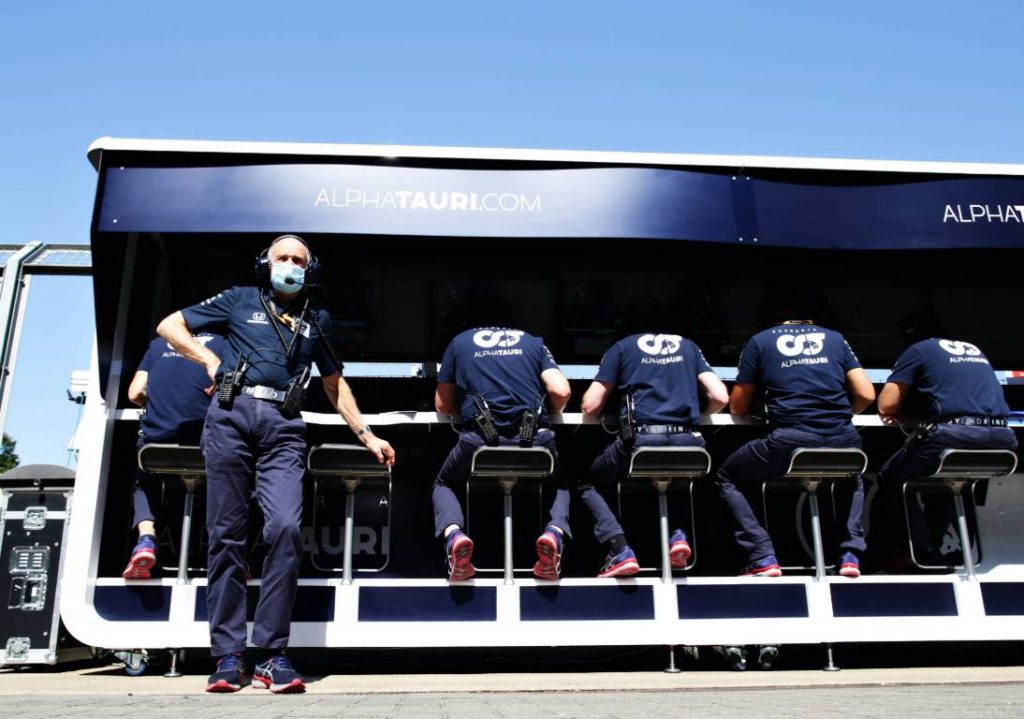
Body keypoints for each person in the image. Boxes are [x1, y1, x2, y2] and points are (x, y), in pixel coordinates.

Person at [156, 234, 395, 694]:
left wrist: (367, 434)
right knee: (226, 534)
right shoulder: (238, 299)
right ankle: (228, 655)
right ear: (265, 264)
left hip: (285, 423)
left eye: (298, 260)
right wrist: (208, 359)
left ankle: (271, 655)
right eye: (281, 258)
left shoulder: (316, 318)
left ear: (311, 268)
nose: (290, 264)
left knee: (284, 529)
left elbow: (333, 385)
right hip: (231, 416)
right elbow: (170, 326)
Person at [717, 291, 876, 577]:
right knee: (851, 475)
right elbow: (866, 393)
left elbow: (738, 405)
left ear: (765, 318)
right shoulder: (835, 338)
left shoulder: (759, 341)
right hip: (844, 439)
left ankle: (762, 557)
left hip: (791, 440)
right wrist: (839, 415)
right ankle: (850, 554)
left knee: (729, 475)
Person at [580, 331, 728, 577]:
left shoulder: (622, 347)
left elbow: (590, 406)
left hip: (643, 440)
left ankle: (619, 550)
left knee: (588, 482)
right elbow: (720, 396)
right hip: (688, 441)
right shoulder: (689, 345)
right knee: (678, 474)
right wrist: (696, 417)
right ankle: (678, 535)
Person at [433, 325, 572, 582]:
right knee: (559, 483)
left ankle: (454, 535)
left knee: (444, 483)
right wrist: (553, 410)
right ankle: (554, 533)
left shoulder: (459, 342)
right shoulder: (534, 342)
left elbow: (442, 405)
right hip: (535, 441)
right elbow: (561, 391)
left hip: (480, 442)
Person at [869, 337, 1017, 569]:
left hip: (954, 435)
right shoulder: (974, 348)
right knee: (947, 482)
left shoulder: (916, 350)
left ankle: (918, 552)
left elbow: (886, 405)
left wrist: (905, 413)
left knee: (890, 478)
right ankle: (929, 553)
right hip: (1003, 439)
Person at [122, 332, 225, 579]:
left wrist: (157, 402)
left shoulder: (157, 345)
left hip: (157, 449)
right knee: (232, 482)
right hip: (204, 447)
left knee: (144, 483)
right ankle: (231, 555)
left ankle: (146, 540)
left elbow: (134, 392)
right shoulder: (223, 344)